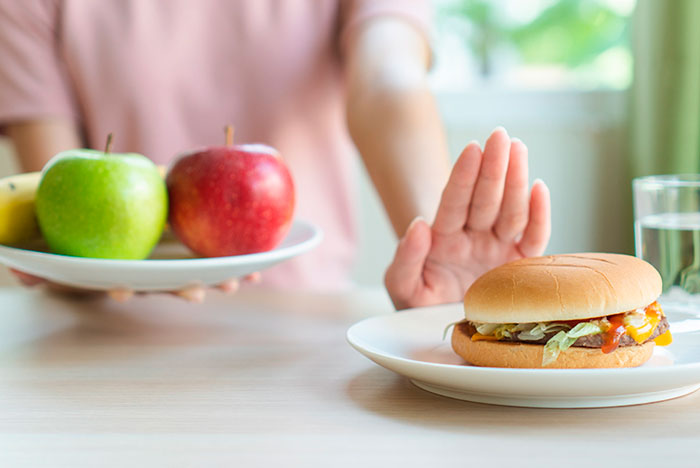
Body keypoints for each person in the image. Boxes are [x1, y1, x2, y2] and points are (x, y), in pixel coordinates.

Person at [0, 0, 550, 309]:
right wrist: (74, 266)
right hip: (96, 338)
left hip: (302, 325)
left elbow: (386, 79)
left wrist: (436, 239)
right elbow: (58, 196)